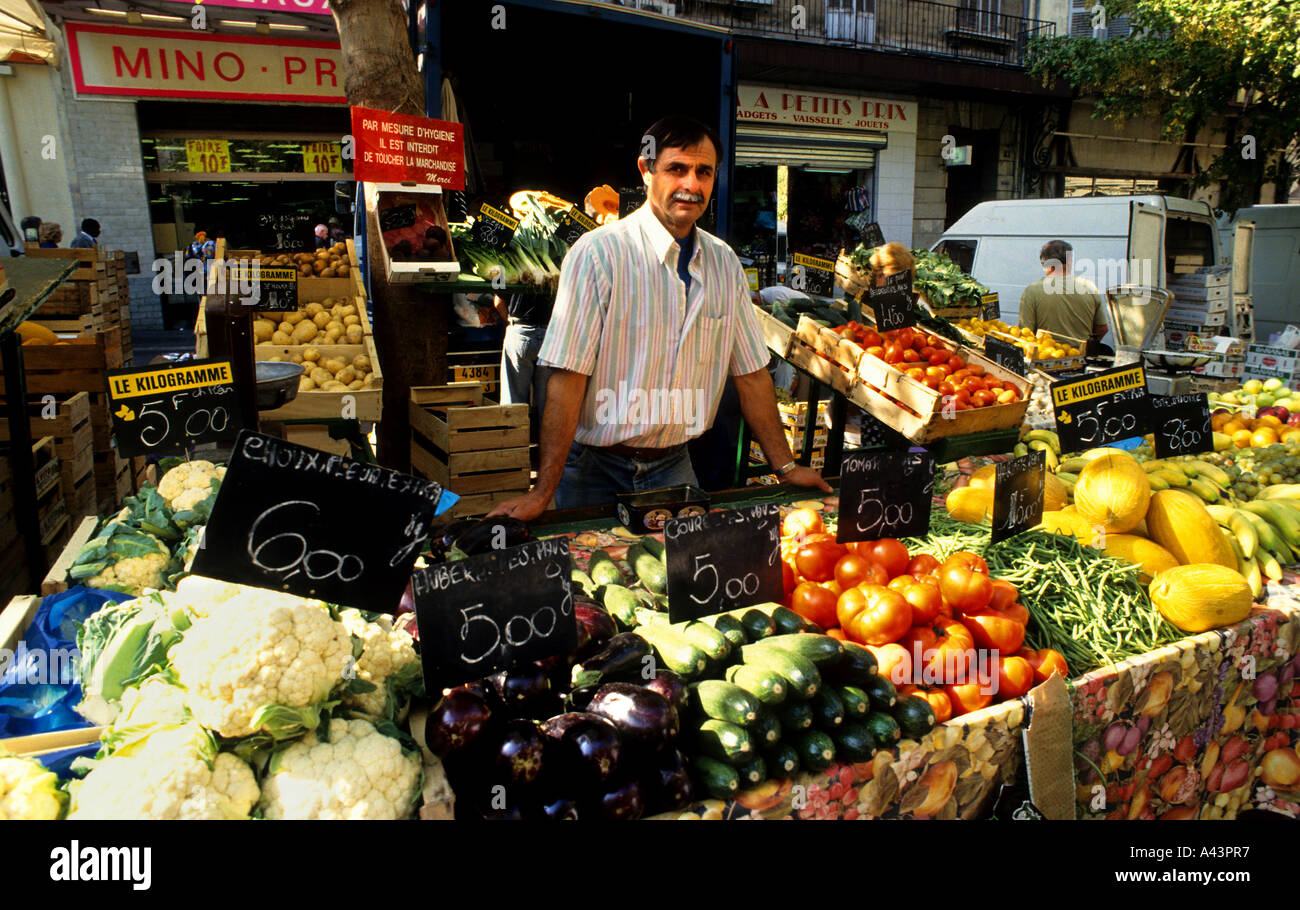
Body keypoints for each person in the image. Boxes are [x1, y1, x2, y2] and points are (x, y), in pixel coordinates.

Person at [489, 115, 831, 520]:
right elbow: (566, 377)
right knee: (591, 578)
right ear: (646, 170)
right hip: (592, 470)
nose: (691, 184)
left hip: (675, 467)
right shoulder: (597, 254)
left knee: (678, 580)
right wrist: (542, 490)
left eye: (703, 172)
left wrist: (786, 467)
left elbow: (752, 374)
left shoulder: (723, 264)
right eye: (676, 169)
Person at [1018, 240, 1108, 343]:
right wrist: (1085, 348)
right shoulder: (1089, 287)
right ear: (1070, 262)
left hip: (1047, 356)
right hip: (1082, 356)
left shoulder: (1032, 291)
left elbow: (1026, 334)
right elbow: (1102, 328)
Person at [493, 290, 554, 440]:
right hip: (551, 334)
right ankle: (547, 458)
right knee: (548, 405)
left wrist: (509, 320)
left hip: (520, 331)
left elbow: (498, 302)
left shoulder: (512, 273)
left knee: (514, 401)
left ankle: (515, 451)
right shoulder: (560, 267)